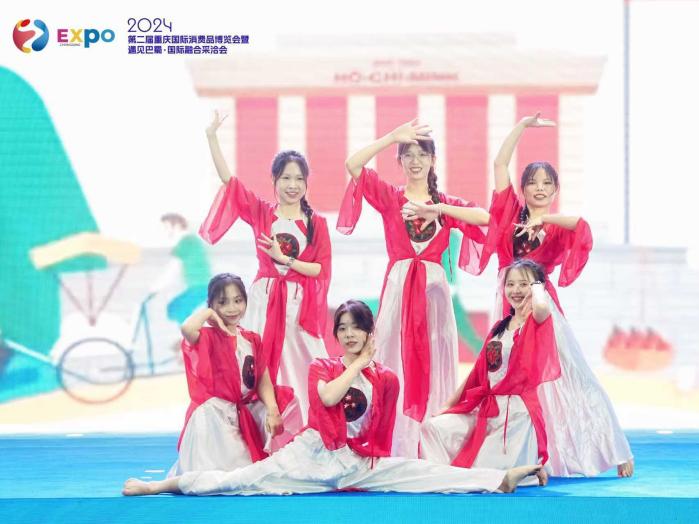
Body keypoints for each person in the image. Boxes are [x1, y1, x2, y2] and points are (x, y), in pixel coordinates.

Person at [123, 300, 542, 496]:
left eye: (356, 327)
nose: (349, 333)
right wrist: (357, 366)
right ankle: (159, 485)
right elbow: (326, 399)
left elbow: (379, 433)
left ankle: (500, 480)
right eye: (342, 328)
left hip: (356, 465)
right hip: (311, 458)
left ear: (369, 331)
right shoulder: (322, 366)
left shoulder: (387, 379)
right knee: (241, 481)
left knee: (423, 475)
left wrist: (366, 458)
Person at [471, 114, 633, 477]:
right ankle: (525, 455)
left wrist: (544, 220)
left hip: (543, 305)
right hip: (507, 302)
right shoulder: (509, 214)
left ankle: (615, 449)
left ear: (556, 190)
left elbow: (582, 228)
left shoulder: (558, 229)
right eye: (532, 182)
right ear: (523, 189)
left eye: (547, 183)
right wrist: (521, 127)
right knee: (507, 376)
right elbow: (499, 164)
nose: (539, 188)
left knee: (572, 375)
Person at [337, 120, 487, 458]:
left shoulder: (445, 204)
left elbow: (485, 218)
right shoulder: (391, 198)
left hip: (433, 297)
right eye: (408, 155)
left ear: (434, 160)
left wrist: (439, 210)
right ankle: (394, 443)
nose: (415, 161)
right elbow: (353, 164)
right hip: (399, 292)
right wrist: (391, 137)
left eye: (422, 155)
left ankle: (431, 444)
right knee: (392, 359)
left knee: (435, 363)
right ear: (400, 161)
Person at [199, 111, 332, 422]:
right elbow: (229, 182)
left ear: (306, 183)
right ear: (274, 180)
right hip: (265, 300)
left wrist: (285, 259)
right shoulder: (262, 213)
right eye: (286, 178)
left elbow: (320, 270)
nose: (292, 185)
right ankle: (263, 425)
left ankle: (311, 425)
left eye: (299, 179)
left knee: (309, 364)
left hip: (298, 304)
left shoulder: (317, 223)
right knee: (259, 364)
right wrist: (212, 136)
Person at [421, 260, 558, 486]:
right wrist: (449, 405)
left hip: (515, 416)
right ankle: (441, 480)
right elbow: (477, 374)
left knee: (485, 477)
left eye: (523, 284)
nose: (515, 290)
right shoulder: (500, 328)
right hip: (487, 410)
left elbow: (542, 306)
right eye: (510, 284)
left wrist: (537, 286)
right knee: (433, 428)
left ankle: (530, 470)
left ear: (536, 287)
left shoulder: (537, 322)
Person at [170, 273, 301, 475]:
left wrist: (272, 410)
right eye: (223, 302)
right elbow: (187, 328)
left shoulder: (251, 339)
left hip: (241, 411)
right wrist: (209, 314)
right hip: (215, 416)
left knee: (287, 401)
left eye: (238, 301)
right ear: (211, 304)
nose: (232, 308)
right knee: (220, 477)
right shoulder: (207, 336)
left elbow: (262, 379)